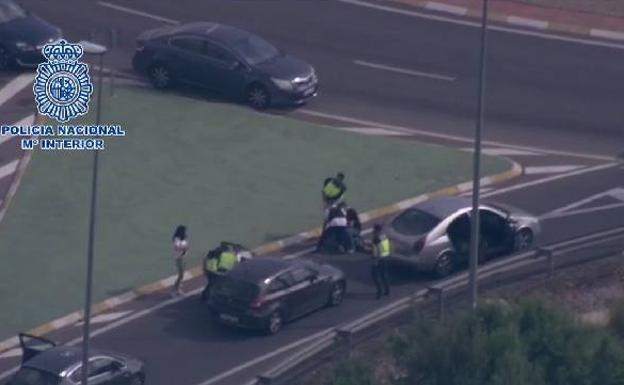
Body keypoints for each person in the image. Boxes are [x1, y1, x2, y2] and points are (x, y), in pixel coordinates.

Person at [371, 224, 391, 299]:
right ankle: (387, 290)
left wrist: (374, 258)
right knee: (384, 275)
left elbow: (375, 251)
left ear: (376, 231)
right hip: (385, 257)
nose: (373, 232)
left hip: (378, 259)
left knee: (375, 276)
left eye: (374, 230)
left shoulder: (376, 239)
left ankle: (379, 292)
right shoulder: (385, 236)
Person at [172, 225, 189, 296]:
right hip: (179, 258)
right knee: (181, 275)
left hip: (184, 257)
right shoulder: (177, 238)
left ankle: (178, 288)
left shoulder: (184, 238)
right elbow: (177, 247)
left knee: (182, 275)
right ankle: (175, 290)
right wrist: (183, 248)